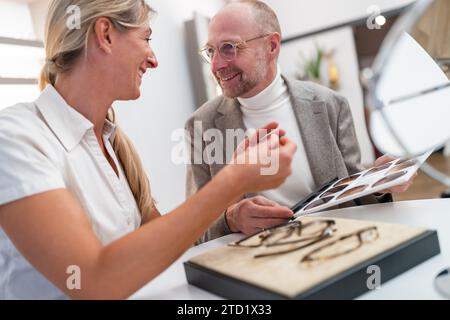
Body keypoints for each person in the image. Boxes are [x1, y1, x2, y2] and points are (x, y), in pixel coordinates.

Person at [0, 0, 297, 299]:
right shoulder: (15, 137)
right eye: (146, 39)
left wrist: (233, 196)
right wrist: (235, 179)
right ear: (104, 34)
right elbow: (92, 279)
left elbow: (167, 244)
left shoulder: (111, 145)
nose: (153, 60)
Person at [185, 0, 415, 243]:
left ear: (271, 46)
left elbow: (355, 197)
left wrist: (377, 184)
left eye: (229, 48)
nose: (216, 64)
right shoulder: (202, 125)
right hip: (256, 263)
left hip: (334, 246)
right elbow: (193, 228)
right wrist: (230, 219)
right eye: (210, 51)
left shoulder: (330, 105)